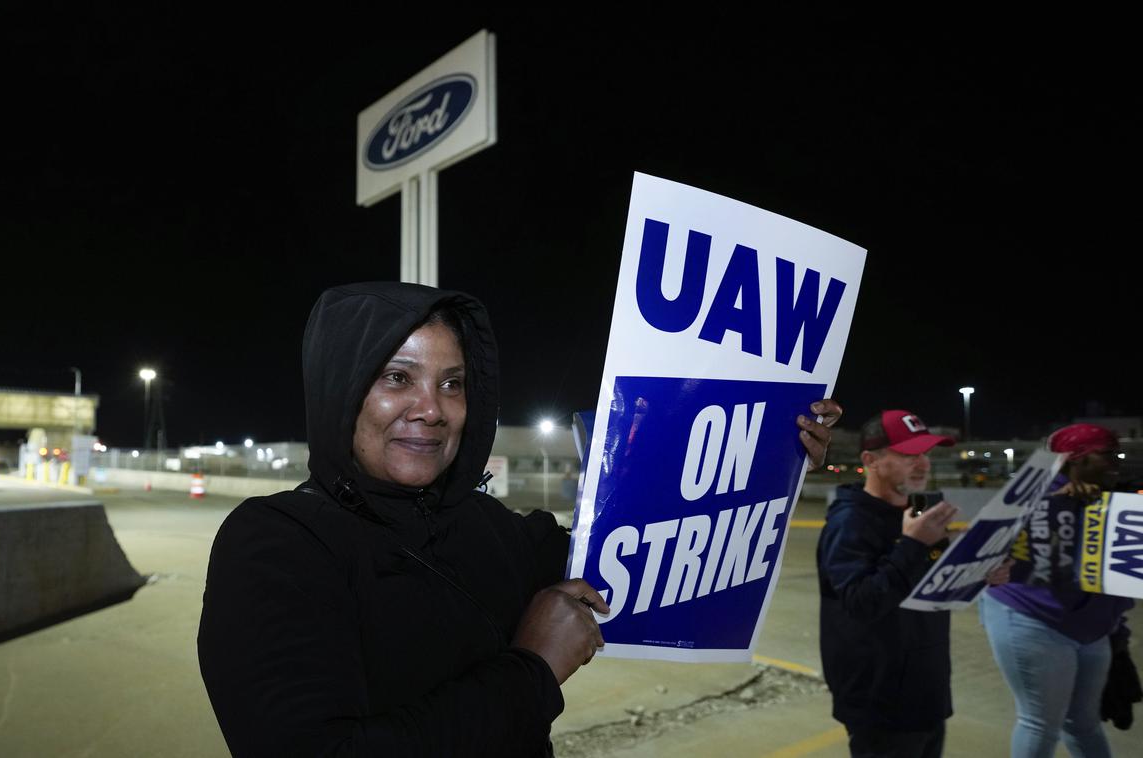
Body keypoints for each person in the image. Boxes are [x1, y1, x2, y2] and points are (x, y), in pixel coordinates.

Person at [198, 282, 841, 757]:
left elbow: (647, 554)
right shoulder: (275, 542)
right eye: (398, 377)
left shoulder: (489, 526)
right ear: (340, 390)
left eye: (453, 383)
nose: (433, 409)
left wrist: (766, 460)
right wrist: (531, 672)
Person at [817, 409, 1011, 758]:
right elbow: (861, 603)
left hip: (927, 687)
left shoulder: (922, 511)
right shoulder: (850, 521)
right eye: (908, 455)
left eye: (926, 453)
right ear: (870, 460)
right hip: (879, 701)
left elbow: (934, 580)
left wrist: (980, 573)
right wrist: (912, 545)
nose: (923, 464)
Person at [980, 423, 1134, 757]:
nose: (1115, 462)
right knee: (1041, 724)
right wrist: (1054, 501)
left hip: (1093, 630)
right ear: (1074, 460)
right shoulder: (1035, 495)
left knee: (1084, 723)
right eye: (1106, 455)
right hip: (1033, 620)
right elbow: (987, 545)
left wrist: (1118, 632)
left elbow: (1118, 576)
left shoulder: (1115, 501)